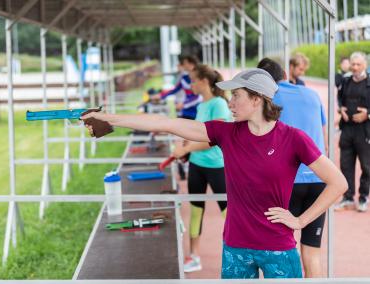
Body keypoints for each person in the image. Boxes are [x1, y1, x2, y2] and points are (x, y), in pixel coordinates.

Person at [82, 68, 347, 279]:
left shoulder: (294, 139)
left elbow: (338, 183)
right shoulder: (226, 132)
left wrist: (301, 221)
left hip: (278, 247)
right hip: (235, 246)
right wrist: (111, 118)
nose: (230, 103)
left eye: (236, 96)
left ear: (256, 99)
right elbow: (166, 124)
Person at [257, 58, 328, 278]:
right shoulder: (312, 94)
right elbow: (322, 136)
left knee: (283, 251)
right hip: (319, 179)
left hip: (286, 184)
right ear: (286, 75)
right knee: (312, 252)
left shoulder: (267, 100)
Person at [171, 64, 231, 272]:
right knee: (196, 210)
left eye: (193, 80)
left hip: (217, 166)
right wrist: (186, 148)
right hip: (197, 165)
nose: (191, 85)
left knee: (229, 213)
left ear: (204, 81)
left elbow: (215, 139)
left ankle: (242, 250)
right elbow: (198, 135)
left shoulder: (219, 104)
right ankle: (194, 255)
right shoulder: (201, 106)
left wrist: (185, 149)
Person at [335, 51, 370, 212]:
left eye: (359, 64)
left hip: (365, 131)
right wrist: (340, 109)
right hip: (347, 129)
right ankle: (348, 197)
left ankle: (363, 197)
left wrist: (367, 114)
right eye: (353, 64)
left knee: (366, 166)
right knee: (345, 165)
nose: (355, 67)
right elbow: (339, 98)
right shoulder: (346, 81)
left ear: (365, 65)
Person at [160, 55, 202, 120]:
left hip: (197, 111)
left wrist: (183, 104)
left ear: (192, 64)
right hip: (185, 111)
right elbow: (175, 90)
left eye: (185, 63)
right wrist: (161, 96)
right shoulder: (184, 78)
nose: (183, 65)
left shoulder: (200, 77)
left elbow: (199, 96)